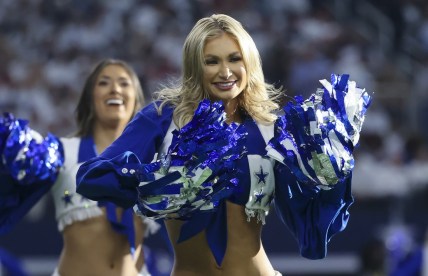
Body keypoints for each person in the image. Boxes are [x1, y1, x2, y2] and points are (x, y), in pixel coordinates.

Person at [76, 14, 372, 275]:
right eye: (211, 61)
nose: (225, 72)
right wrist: (155, 180)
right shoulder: (165, 117)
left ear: (249, 63)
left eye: (234, 58)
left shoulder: (271, 129)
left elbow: (310, 231)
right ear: (194, 66)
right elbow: (91, 176)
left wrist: (332, 171)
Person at [0, 59, 159, 276]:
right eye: (104, 83)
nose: (115, 88)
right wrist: (14, 147)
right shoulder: (62, 150)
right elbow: (23, 164)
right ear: (89, 98)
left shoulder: (154, 161)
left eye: (124, 83)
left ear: (137, 100)